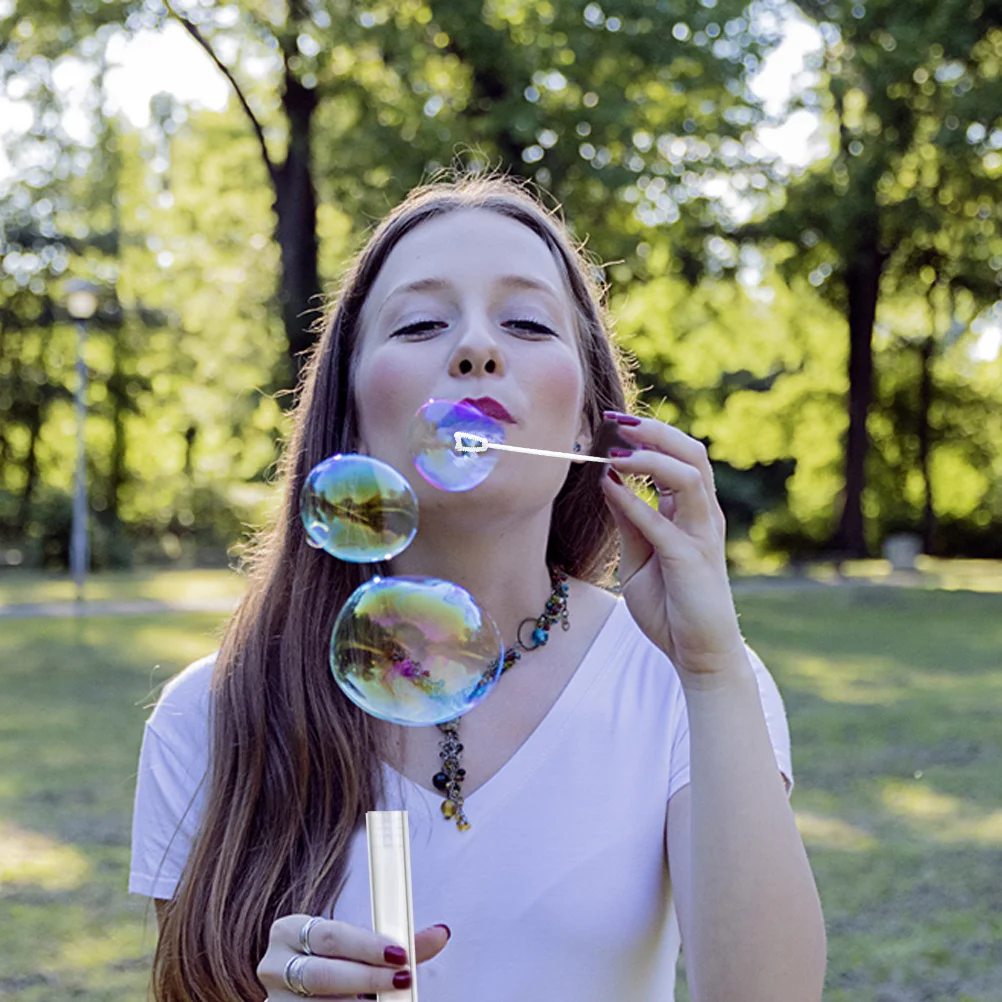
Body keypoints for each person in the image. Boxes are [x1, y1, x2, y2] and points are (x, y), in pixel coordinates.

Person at [130, 175, 827, 1002]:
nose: (475, 348)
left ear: (583, 422)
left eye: (526, 323)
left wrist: (711, 670)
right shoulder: (214, 710)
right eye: (422, 324)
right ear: (350, 415)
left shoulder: (685, 684)